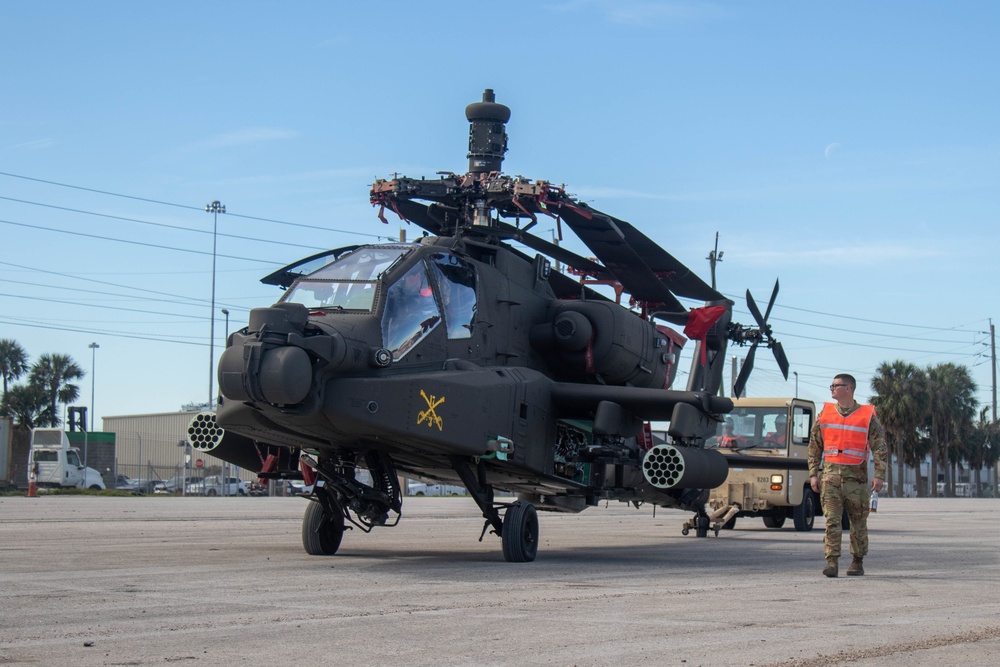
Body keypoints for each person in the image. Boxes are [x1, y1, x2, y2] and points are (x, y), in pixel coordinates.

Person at [808, 374, 887, 578]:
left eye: (836, 385)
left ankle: (857, 561)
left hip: (857, 481)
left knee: (858, 522)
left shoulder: (867, 416)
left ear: (849, 388)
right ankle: (831, 562)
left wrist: (879, 474)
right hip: (830, 478)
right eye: (831, 385)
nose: (831, 388)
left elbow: (880, 447)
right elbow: (814, 446)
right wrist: (813, 473)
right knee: (831, 521)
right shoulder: (825, 414)